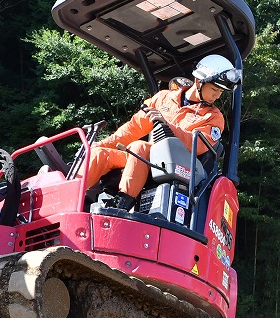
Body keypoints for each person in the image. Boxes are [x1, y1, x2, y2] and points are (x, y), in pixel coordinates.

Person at [82, 54, 241, 211]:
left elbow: (198, 145)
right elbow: (134, 127)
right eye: (214, 89)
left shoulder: (214, 117)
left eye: (220, 92)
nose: (217, 95)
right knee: (99, 154)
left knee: (139, 147)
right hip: (147, 159)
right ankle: (70, 196)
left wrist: (168, 125)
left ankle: (121, 206)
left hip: (180, 166)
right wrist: (101, 144)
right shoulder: (164, 97)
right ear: (198, 81)